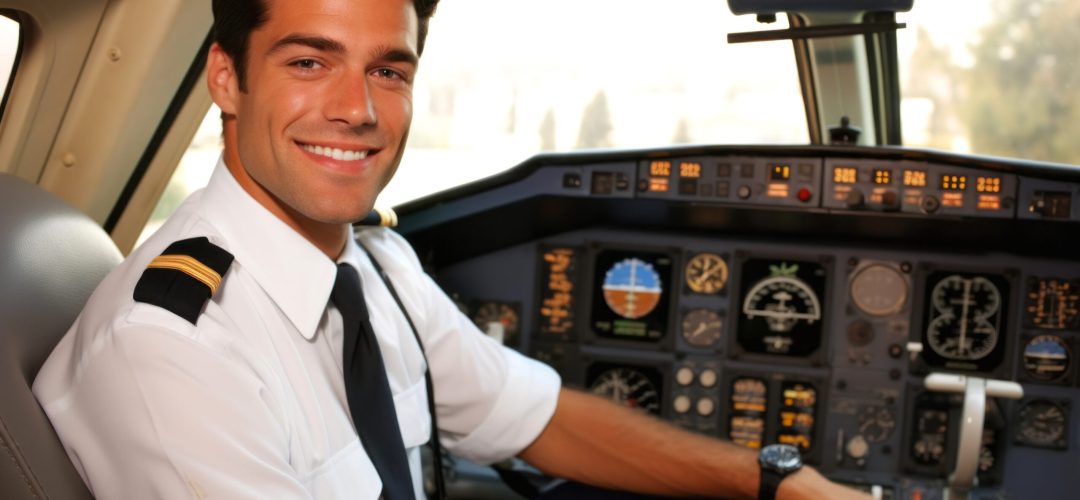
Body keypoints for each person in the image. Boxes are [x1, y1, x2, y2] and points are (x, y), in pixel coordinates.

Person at [33, 0, 869, 498]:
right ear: (225, 77)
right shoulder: (172, 350)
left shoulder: (374, 266)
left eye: (388, 72)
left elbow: (535, 417)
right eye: (310, 61)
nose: (358, 109)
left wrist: (777, 480)